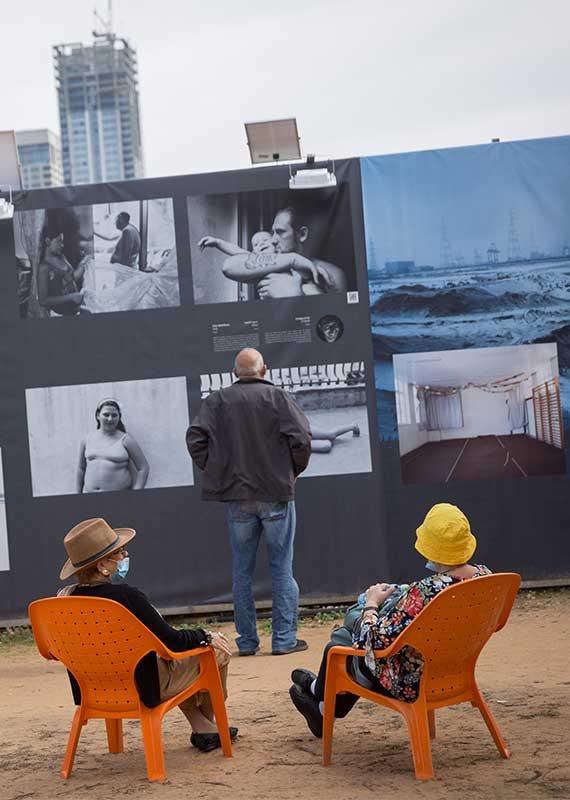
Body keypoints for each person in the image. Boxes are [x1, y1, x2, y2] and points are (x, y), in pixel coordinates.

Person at [288, 503, 492, 738]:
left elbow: (372, 642)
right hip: (453, 671)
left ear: (431, 549)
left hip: (408, 681)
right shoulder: (485, 578)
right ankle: (319, 701)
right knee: (345, 640)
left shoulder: (423, 592)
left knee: (340, 645)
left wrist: (372, 603)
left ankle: (319, 697)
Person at [57, 517, 237, 752]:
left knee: (168, 659)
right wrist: (206, 635)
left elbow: (52, 651)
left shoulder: (64, 600)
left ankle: (203, 727)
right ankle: (208, 727)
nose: (124, 557)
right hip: (144, 686)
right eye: (120, 553)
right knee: (214, 651)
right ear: (103, 565)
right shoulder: (126, 598)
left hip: (93, 689)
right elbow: (171, 641)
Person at [187, 348, 312, 656]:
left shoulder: (217, 400)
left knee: (241, 572)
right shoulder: (279, 398)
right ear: (264, 370)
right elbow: (302, 440)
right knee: (282, 568)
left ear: (234, 373)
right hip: (275, 494)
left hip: (238, 497)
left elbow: (195, 439)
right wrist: (291, 473)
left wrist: (219, 471)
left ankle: (247, 643)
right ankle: (283, 640)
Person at [198, 206, 347, 298]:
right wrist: (218, 242)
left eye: (280, 232)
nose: (273, 240)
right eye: (272, 232)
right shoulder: (270, 262)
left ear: (302, 234)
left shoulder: (333, 274)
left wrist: (296, 295)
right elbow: (231, 264)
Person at [77, 399, 150, 493]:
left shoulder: (126, 439)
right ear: (98, 416)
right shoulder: (86, 440)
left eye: (114, 415)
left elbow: (143, 468)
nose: (110, 419)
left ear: (119, 417)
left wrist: (137, 492)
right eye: (106, 415)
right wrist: (78, 494)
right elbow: (81, 468)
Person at [37, 229, 86, 316]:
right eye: (59, 241)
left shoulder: (61, 257)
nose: (62, 245)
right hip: (61, 313)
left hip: (75, 307)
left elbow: (71, 277)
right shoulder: (43, 268)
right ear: (48, 241)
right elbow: (43, 301)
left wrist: (82, 264)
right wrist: (71, 297)